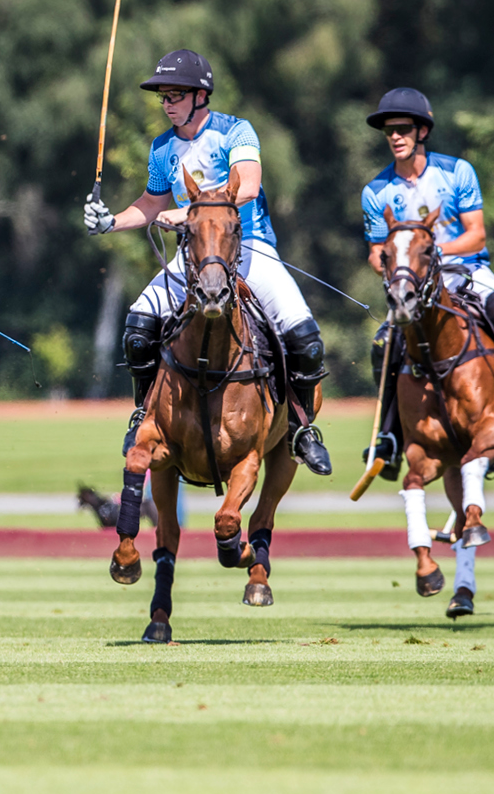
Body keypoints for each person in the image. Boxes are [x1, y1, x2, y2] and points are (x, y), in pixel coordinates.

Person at [83, 49, 332, 475]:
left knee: (306, 340)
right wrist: (110, 222)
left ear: (201, 95)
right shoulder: (162, 148)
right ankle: (143, 413)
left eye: (175, 95)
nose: (167, 104)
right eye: (163, 96)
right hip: (195, 258)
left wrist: (186, 213)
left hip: (249, 249)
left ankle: (301, 428)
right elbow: (151, 203)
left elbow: (247, 186)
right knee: (138, 328)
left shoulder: (236, 131)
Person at [362, 87, 494, 479]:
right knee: (383, 342)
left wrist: (431, 253)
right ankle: (389, 436)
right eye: (389, 131)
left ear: (423, 131)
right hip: (413, 283)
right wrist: (389, 264)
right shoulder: (376, 191)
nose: (395, 136)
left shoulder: (457, 171)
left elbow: (476, 235)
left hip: (466, 270)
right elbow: (376, 251)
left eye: (403, 129)